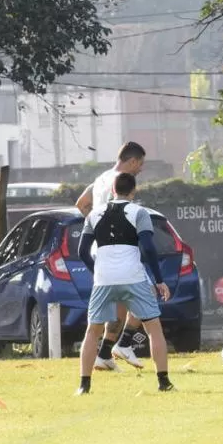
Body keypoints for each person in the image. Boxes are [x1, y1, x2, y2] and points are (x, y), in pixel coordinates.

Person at [76, 173, 173, 394]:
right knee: (153, 328)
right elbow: (148, 248)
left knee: (92, 331)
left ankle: (84, 385)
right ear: (133, 191)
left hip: (103, 280)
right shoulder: (139, 213)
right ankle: (163, 382)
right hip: (133, 278)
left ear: (112, 191)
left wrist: (97, 271)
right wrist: (159, 281)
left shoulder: (93, 214)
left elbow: (82, 251)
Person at [75, 141, 147, 371]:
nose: (141, 170)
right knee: (146, 292)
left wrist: (96, 227)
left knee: (118, 306)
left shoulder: (100, 179)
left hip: (101, 252)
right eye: (140, 164)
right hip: (119, 250)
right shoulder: (120, 184)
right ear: (132, 161)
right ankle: (124, 344)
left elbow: (82, 203)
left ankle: (104, 354)